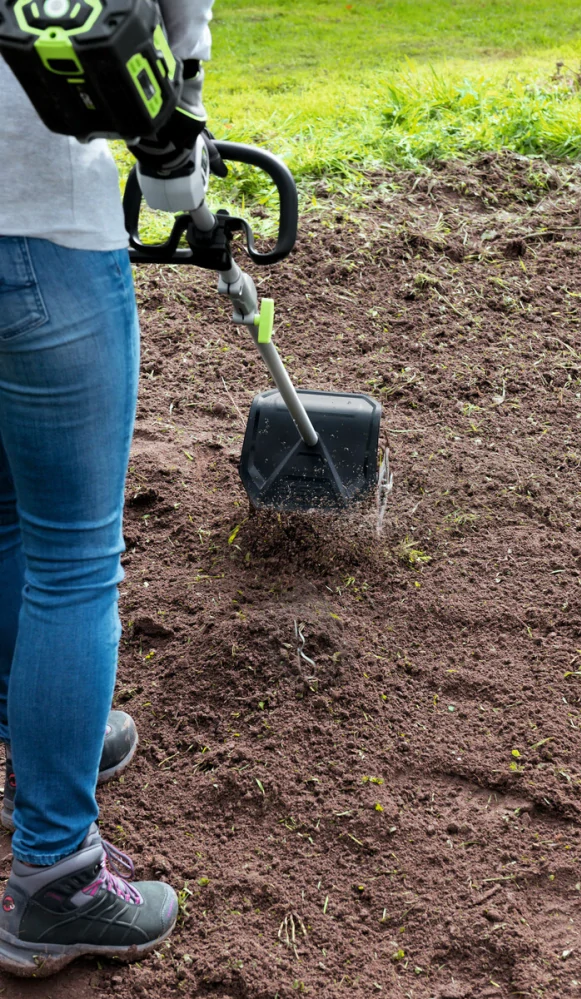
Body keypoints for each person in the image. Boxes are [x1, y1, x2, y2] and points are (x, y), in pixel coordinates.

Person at [0, 0, 214, 977]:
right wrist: (186, 184)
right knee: (75, 560)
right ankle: (56, 880)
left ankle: (29, 722)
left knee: (8, 517)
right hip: (42, 229)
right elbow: (169, 52)